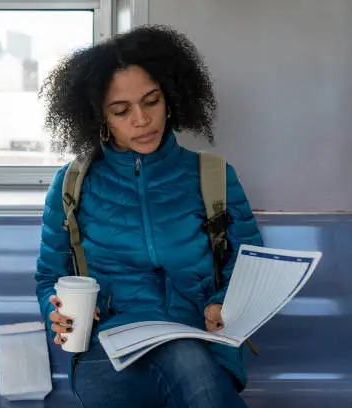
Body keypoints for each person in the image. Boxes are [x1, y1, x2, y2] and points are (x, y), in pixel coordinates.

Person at [34, 25, 264, 408]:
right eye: (121, 111)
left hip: (202, 342)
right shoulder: (72, 184)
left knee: (185, 356)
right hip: (107, 348)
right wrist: (56, 312)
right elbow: (49, 277)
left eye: (151, 101)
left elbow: (250, 264)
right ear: (99, 118)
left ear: (170, 99)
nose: (141, 119)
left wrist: (224, 303)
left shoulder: (213, 176)